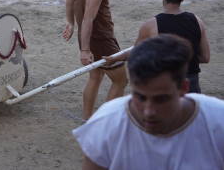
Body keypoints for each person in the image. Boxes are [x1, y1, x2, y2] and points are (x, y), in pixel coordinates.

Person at [73, 35, 224, 170]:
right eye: (140, 97)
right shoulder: (107, 123)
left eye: (161, 99)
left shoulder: (218, 121)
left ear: (184, 88)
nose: (149, 111)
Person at [103, 0, 210, 93]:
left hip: (165, 86)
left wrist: (114, 59)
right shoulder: (197, 21)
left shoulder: (150, 26)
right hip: (191, 86)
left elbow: (136, 54)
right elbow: (205, 57)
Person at [62, 0, 129, 120]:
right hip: (102, 41)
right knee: (121, 80)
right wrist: (85, 49)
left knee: (96, 76)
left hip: (89, 39)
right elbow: (88, 19)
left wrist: (70, 23)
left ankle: (88, 119)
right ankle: (104, 123)